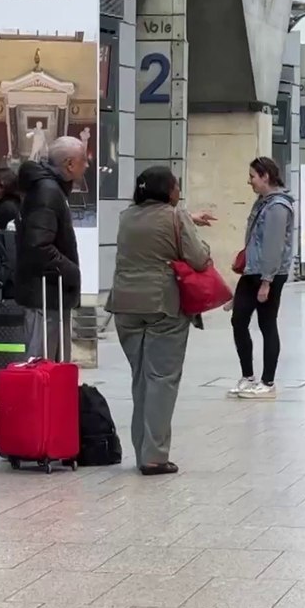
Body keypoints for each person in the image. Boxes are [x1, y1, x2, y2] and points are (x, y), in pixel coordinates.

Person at [107, 166, 215, 476]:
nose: (179, 190)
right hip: (161, 305)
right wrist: (197, 236)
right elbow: (198, 258)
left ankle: (142, 449)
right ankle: (153, 457)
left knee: (141, 377)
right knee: (162, 379)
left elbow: (149, 233)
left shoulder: (126, 216)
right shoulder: (174, 215)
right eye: (176, 185)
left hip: (125, 305)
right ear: (168, 190)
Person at [229, 156, 296, 400]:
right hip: (252, 270)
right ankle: (248, 376)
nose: (250, 182)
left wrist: (267, 282)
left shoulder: (278, 206)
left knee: (267, 324)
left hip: (270, 273)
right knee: (239, 320)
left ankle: (268, 382)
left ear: (265, 176)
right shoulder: (262, 202)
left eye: (252, 177)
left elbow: (274, 246)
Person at [16, 137, 84, 361]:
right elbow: (39, 244)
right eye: (83, 160)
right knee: (41, 364)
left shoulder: (52, 189)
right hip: (44, 296)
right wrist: (71, 271)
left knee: (54, 365)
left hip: (52, 294)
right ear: (69, 164)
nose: (87, 165)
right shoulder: (47, 191)